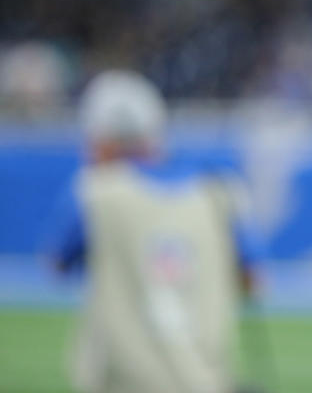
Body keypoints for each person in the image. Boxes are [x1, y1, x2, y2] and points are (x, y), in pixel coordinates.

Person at [44, 69, 259, 393]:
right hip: (205, 379)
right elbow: (251, 280)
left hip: (121, 380)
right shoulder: (218, 194)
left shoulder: (92, 192)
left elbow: (58, 265)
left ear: (99, 139)